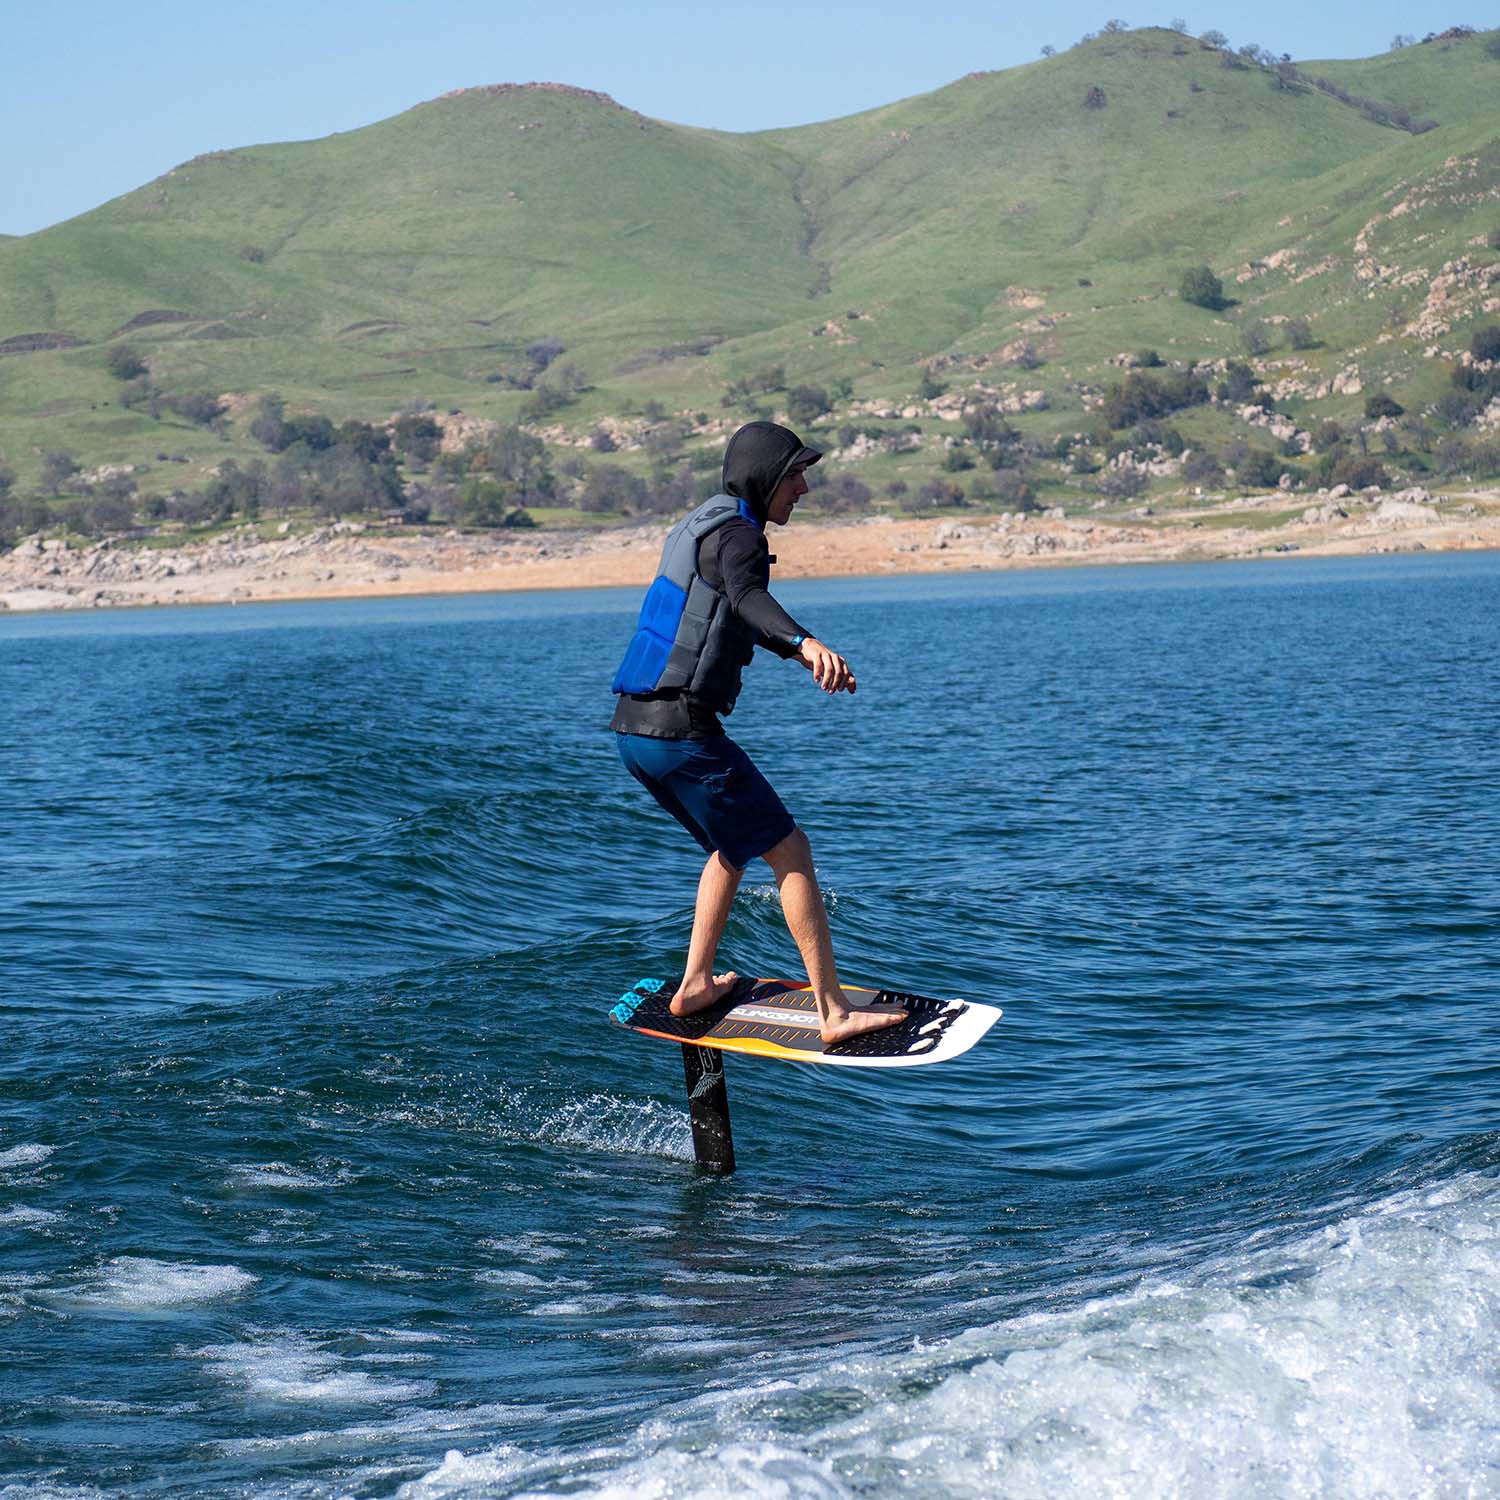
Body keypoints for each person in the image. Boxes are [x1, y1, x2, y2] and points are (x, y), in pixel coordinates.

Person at [610, 421, 906, 1045]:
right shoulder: (740, 538)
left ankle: (695, 983)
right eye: (795, 474)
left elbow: (728, 614)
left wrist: (800, 656)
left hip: (635, 730)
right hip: (683, 732)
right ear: (765, 476)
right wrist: (806, 640)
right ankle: (833, 1010)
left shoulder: (705, 525)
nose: (803, 488)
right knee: (791, 851)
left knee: (733, 847)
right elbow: (746, 596)